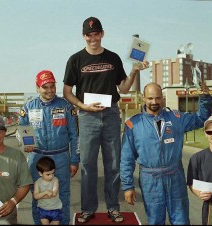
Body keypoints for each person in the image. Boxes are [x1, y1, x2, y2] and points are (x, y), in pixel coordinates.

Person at [62, 16, 149, 224]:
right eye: (89, 35)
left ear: (102, 33)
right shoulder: (75, 59)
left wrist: (135, 71)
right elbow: (67, 92)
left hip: (110, 115)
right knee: (87, 165)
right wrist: (83, 106)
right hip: (87, 116)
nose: (93, 39)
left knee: (113, 164)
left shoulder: (113, 58)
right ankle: (87, 209)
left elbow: (124, 88)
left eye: (96, 34)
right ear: (84, 36)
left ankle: (113, 207)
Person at [120, 82, 212, 225]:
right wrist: (128, 186)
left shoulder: (176, 118)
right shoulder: (133, 124)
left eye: (157, 98)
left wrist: (204, 97)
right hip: (150, 179)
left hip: (175, 177)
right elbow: (126, 158)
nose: (154, 102)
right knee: (155, 221)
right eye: (150, 98)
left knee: (181, 220)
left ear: (162, 97)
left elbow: (201, 119)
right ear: (143, 97)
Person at [18, 69, 79, 225]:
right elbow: (22, 129)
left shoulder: (66, 106)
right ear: (37, 87)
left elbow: (74, 135)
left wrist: (74, 160)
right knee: (37, 196)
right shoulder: (28, 107)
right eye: (45, 87)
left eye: (52, 86)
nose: (49, 90)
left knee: (62, 196)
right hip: (37, 157)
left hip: (61, 157)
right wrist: (26, 142)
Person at [34, 156, 63, 225]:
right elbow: (35, 197)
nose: (51, 176)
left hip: (55, 208)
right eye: (48, 174)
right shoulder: (37, 183)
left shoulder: (55, 180)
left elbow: (53, 194)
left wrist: (40, 195)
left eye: (53, 173)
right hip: (43, 209)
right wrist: (46, 192)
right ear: (40, 173)